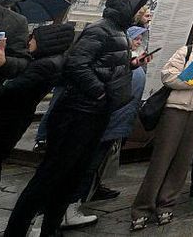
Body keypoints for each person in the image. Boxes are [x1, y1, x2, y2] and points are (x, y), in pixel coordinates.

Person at [6, 0, 146, 236]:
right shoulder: (99, 29)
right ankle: (16, 229)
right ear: (126, 8)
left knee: (72, 177)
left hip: (96, 115)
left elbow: (101, 63)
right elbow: (76, 64)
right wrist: (100, 93)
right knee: (51, 175)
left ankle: (51, 227)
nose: (141, 13)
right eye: (138, 8)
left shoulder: (118, 33)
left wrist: (128, 64)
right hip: (78, 113)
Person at [130, 15, 193, 230]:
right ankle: (143, 207)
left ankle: (166, 203)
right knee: (162, 157)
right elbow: (168, 75)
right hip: (176, 107)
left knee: (183, 159)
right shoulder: (187, 50)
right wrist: (191, 81)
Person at [63, 25, 151, 229]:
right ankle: (68, 207)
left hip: (116, 122)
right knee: (86, 165)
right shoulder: (114, 60)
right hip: (106, 121)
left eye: (140, 40)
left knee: (93, 164)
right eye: (135, 39)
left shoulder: (129, 62)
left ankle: (75, 202)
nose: (138, 43)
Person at [0, 22, 74, 203]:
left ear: (45, 41)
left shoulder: (43, 65)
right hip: (16, 118)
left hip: (7, 118)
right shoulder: (52, 61)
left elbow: (12, 90)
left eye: (34, 38)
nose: (29, 41)